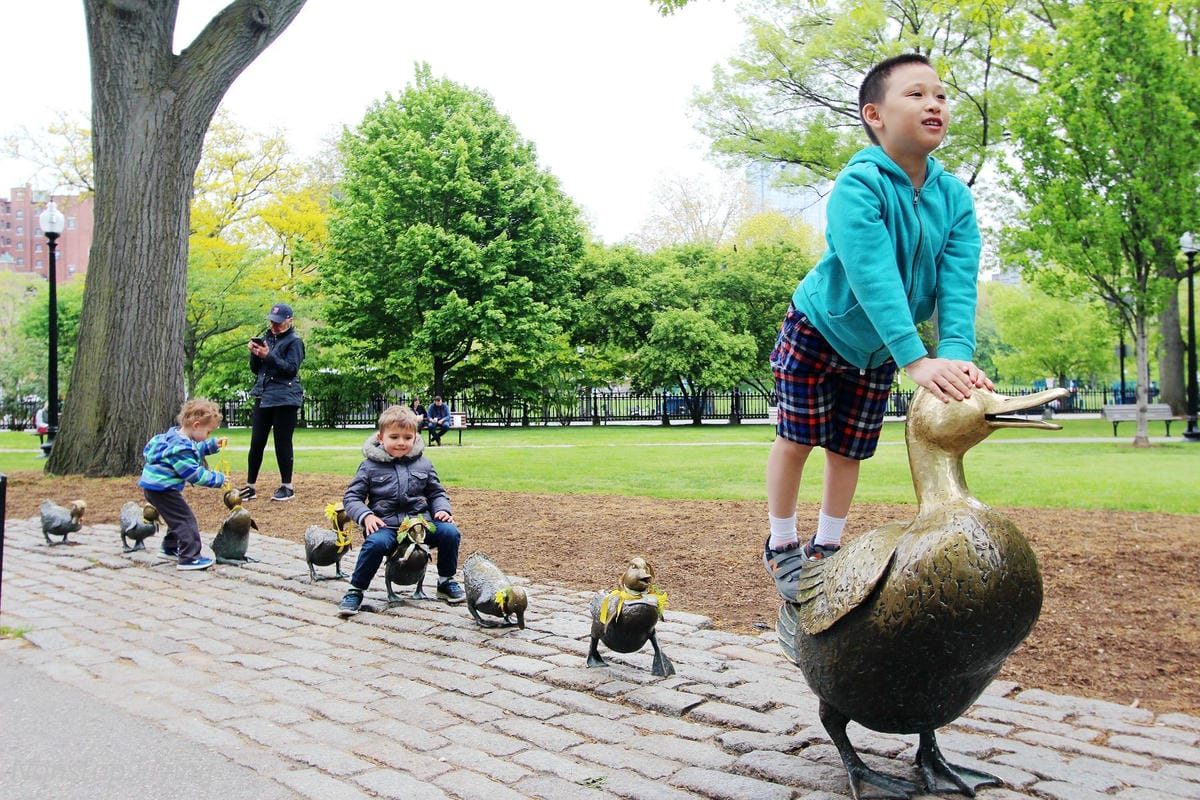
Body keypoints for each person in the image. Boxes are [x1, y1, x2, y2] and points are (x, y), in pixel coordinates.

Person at [762, 53, 993, 602]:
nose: (934, 103)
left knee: (850, 449)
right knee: (798, 439)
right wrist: (915, 357)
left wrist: (955, 353)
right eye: (916, 94)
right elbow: (874, 276)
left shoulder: (954, 198)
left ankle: (827, 547)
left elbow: (958, 281)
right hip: (819, 329)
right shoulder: (858, 185)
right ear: (875, 115)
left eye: (940, 95)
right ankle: (782, 542)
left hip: (878, 349)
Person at [337, 404, 465, 616]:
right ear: (381, 438)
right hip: (386, 525)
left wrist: (442, 510)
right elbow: (352, 497)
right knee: (374, 544)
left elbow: (436, 493)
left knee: (450, 533)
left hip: (420, 525)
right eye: (394, 437)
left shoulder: (424, 464)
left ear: (415, 437)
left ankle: (445, 581)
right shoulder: (369, 466)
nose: (401, 443)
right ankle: (356, 590)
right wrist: (366, 516)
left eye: (407, 437)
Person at [138, 398, 229, 571]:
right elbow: (194, 474)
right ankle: (189, 557)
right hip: (164, 490)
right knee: (186, 520)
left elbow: (192, 450)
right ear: (196, 425)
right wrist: (218, 479)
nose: (208, 436)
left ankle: (170, 548)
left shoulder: (174, 438)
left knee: (176, 518)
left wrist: (210, 446)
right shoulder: (182, 448)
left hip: (154, 488)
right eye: (208, 432)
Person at [241, 302, 305, 502]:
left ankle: (287, 486)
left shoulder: (295, 342)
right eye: (272, 322)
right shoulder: (267, 338)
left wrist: (269, 356)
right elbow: (257, 370)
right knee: (256, 442)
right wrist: (255, 354)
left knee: (282, 442)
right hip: (264, 395)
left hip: (285, 397)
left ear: (290, 321)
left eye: (278, 322)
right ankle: (250, 486)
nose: (274, 326)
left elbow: (291, 369)